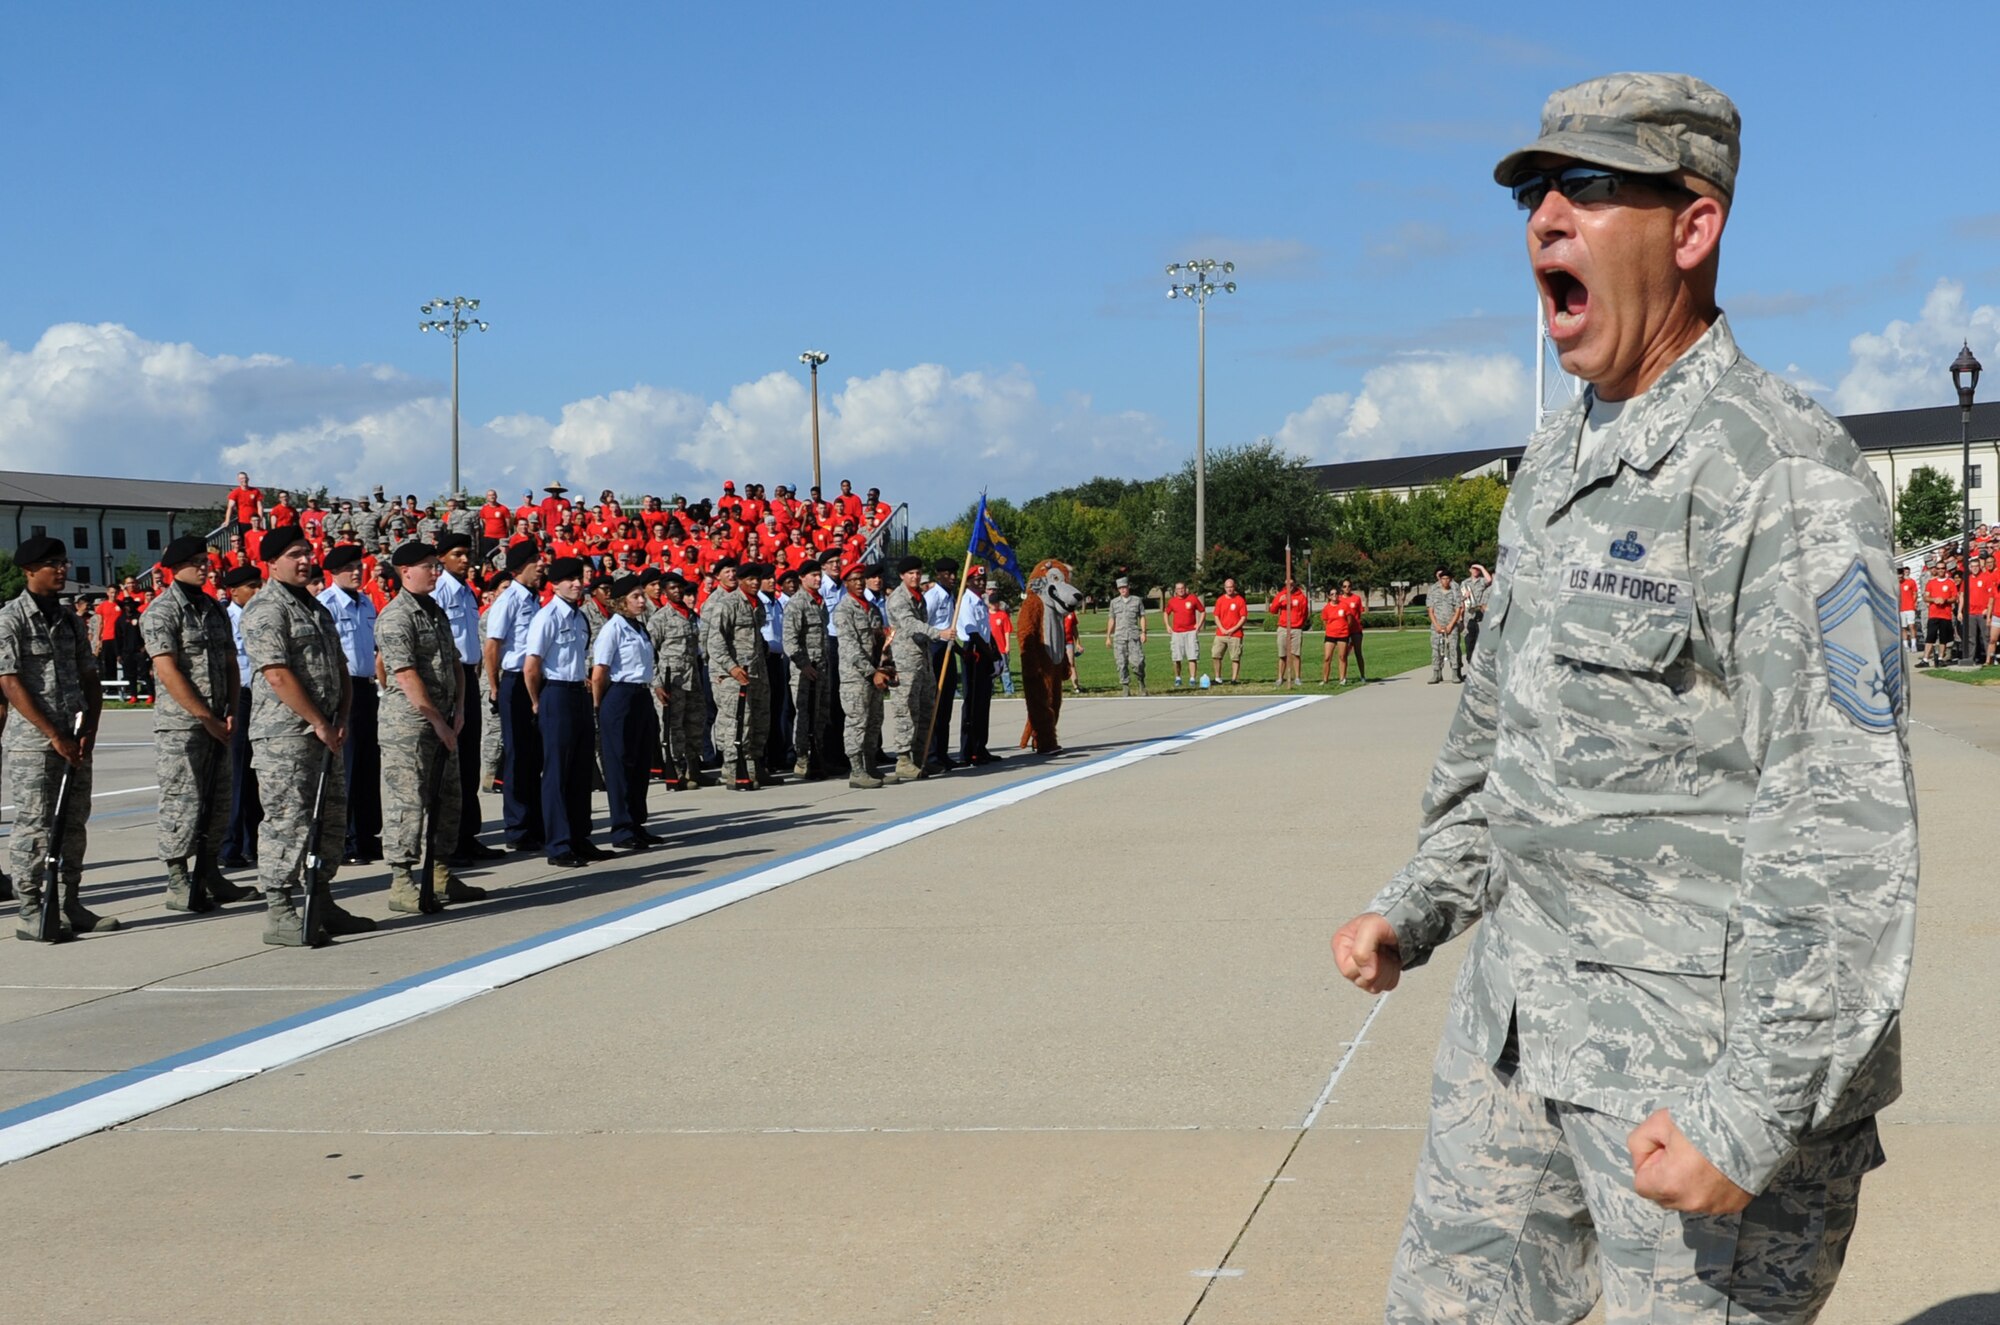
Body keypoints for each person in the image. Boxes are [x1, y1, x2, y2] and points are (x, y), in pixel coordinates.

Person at [1333, 73, 1916, 1323]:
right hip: (1519, 1038)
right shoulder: (1551, 465)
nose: (1543, 213)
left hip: (1692, 1079)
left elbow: (1841, 830)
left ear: (1691, 227)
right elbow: (1497, 743)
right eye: (1533, 190)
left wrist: (1748, 1110)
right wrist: (1417, 903)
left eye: (1587, 186)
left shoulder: (1783, 475)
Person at [242, 526, 375, 945]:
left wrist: (342, 716)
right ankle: (280, 908)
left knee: (330, 818)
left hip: (327, 732)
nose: (305, 560)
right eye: (295, 554)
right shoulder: (266, 609)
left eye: (307, 552)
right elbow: (277, 675)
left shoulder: (315, 608)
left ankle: (321, 898)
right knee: (288, 820)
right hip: (286, 736)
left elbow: (341, 667)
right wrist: (318, 720)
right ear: (273, 562)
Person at [0, 536, 112, 940]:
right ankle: (31, 908)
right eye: (53, 564)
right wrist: (52, 733)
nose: (62, 570)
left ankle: (69, 902)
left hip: (74, 735)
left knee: (74, 823)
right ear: (30, 571)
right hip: (34, 741)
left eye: (64, 562)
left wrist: (90, 730)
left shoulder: (68, 618)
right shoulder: (11, 618)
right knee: (34, 825)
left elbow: (88, 676)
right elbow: (10, 682)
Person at [141, 534, 253, 913]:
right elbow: (168, 671)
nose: (204, 567)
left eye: (205, 560)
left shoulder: (212, 607)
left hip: (220, 720)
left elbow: (230, 662)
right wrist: (205, 716)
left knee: (217, 800)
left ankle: (209, 873)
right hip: (182, 726)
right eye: (196, 562)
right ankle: (177, 878)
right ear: (175, 568)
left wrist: (232, 709)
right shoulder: (161, 611)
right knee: (181, 802)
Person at [375, 541, 483, 913]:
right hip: (409, 725)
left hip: (444, 721)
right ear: (405, 571)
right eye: (428, 566)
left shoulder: (433, 610)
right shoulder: (396, 616)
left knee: (448, 798)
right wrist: (438, 721)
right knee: (406, 802)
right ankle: (401, 880)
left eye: (437, 565)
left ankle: (439, 873)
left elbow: (455, 662)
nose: (436, 572)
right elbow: (402, 674)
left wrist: (460, 710)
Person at [525, 557, 599, 866]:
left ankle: (580, 837)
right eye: (569, 579)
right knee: (556, 773)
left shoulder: (580, 617)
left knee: (581, 771)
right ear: (555, 584)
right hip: (555, 692)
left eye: (579, 578)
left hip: (577, 692)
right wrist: (537, 701)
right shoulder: (548, 616)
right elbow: (532, 666)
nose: (577, 583)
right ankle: (558, 844)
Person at [434, 533, 501, 865]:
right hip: (449, 679)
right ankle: (450, 840)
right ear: (442, 558)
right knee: (453, 763)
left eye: (467, 555)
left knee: (470, 760)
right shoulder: (440, 591)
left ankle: (468, 833)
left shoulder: (466, 592)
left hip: (468, 678)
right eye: (457, 555)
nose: (465, 560)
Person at [319, 544, 382, 862]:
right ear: (333, 571)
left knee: (369, 765)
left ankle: (368, 835)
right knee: (350, 766)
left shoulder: (367, 602)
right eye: (350, 567)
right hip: (344, 690)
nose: (357, 572)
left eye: (359, 566)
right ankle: (347, 838)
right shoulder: (326, 604)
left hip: (368, 688)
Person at [590, 573, 661, 850]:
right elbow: (600, 672)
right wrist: (599, 706)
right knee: (620, 763)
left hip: (640, 694)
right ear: (621, 602)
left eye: (642, 595)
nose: (642, 600)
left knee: (641, 760)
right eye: (636, 596)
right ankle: (621, 827)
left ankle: (637, 822)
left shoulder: (639, 627)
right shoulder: (613, 628)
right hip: (619, 694)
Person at [484, 541, 547, 850]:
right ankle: (518, 828)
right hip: (514, 682)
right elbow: (492, 646)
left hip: (535, 680)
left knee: (535, 755)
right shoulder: (508, 600)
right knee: (518, 755)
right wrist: (495, 687)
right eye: (536, 560)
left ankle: (536, 822)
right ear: (521, 565)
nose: (542, 564)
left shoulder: (535, 600)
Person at [704, 559, 770, 790]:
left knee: (759, 718)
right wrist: (731, 668)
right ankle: (733, 768)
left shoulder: (757, 604)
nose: (755, 583)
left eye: (757, 579)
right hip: (734, 673)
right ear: (741, 581)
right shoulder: (728, 603)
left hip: (757, 671)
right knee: (737, 720)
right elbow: (715, 641)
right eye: (750, 579)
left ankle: (753, 765)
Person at [833, 562, 897, 789]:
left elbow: (882, 643)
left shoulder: (873, 608)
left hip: (876, 675)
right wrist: (872, 673)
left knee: (874, 722)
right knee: (857, 723)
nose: (859, 583)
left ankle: (870, 765)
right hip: (856, 678)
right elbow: (850, 648)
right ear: (846, 583)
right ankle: (857, 770)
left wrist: (887, 668)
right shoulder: (844, 610)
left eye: (862, 578)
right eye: (854, 580)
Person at [220, 565, 264, 869]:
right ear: (233, 591)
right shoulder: (225, 620)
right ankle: (230, 844)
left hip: (262, 697)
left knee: (257, 774)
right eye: (252, 587)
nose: (258, 592)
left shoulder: (261, 617)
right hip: (240, 697)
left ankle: (253, 843)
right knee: (237, 773)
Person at [885, 555, 942, 782]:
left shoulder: (920, 598)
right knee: (906, 710)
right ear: (902, 575)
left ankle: (920, 758)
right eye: (911, 573)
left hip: (922, 662)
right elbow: (909, 624)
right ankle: (903, 759)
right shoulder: (899, 598)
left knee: (926, 709)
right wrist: (938, 632)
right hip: (905, 662)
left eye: (918, 573)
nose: (915, 576)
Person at [649, 572, 708, 789]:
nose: (678, 591)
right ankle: (676, 769)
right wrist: (656, 683)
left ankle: (694, 768)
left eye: (680, 587)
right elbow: (649, 654)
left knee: (694, 723)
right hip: (670, 682)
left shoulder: (691, 616)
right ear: (665, 592)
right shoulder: (659, 619)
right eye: (672, 588)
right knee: (672, 727)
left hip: (692, 679)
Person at [782, 560, 830, 779]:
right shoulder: (797, 603)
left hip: (821, 667)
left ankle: (818, 754)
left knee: (820, 714)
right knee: (804, 715)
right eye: (813, 575)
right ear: (802, 578)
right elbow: (790, 641)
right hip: (805, 670)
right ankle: (802, 759)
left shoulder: (819, 602)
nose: (817, 579)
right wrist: (804, 665)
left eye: (819, 575)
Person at [955, 564, 999, 764]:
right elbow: (973, 632)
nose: (981, 582)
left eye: (983, 580)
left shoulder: (981, 602)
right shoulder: (966, 602)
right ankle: (969, 750)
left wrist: (996, 655)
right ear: (969, 581)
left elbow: (987, 631)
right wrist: (989, 654)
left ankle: (981, 746)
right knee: (972, 704)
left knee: (983, 703)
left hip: (986, 651)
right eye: (977, 580)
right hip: (973, 652)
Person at [924, 561, 961, 771]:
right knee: (935, 703)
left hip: (948, 647)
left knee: (946, 702)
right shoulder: (933, 597)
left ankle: (942, 752)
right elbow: (925, 625)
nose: (953, 577)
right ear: (939, 575)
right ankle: (931, 754)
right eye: (948, 574)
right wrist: (940, 635)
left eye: (954, 573)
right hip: (935, 648)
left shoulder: (950, 596)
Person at [1105, 576, 1147, 695]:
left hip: (1134, 637)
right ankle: (1125, 686)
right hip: (1119, 638)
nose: (1123, 590)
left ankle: (1141, 682)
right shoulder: (1114, 602)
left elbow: (1142, 616)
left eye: (1124, 587)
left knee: (1138, 662)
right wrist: (1108, 636)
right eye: (1120, 588)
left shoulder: (1137, 600)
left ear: (1128, 587)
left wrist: (1143, 632)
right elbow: (1111, 619)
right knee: (1121, 663)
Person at [1426, 566, 1464, 684]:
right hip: (1437, 625)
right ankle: (1436, 673)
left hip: (1451, 625)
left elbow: (1458, 609)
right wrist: (1436, 625)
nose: (1445, 581)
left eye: (1447, 578)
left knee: (1453, 649)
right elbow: (1430, 610)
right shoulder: (1433, 591)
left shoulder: (1455, 591)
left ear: (1451, 580)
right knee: (1436, 649)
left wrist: (1451, 625)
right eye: (1443, 579)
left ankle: (1455, 673)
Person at [1268, 577, 1308, 687]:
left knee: (1296, 654)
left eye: (1291, 584)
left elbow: (1305, 613)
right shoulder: (1281, 595)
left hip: (1296, 628)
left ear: (1294, 584)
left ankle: (1297, 678)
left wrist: (1299, 624)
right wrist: (1279, 602)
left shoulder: (1301, 597)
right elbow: (1272, 610)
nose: (1289, 586)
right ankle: (1280, 678)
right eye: (1287, 584)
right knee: (1282, 654)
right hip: (1283, 628)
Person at [1163, 580, 1204, 686]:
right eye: (1178, 589)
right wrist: (1167, 626)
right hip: (1177, 633)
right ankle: (1178, 678)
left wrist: (1198, 625)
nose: (1180, 590)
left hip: (1191, 631)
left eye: (1182, 588)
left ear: (1185, 588)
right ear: (1175, 590)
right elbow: (1166, 613)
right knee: (1176, 657)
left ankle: (1192, 679)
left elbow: (1202, 611)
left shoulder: (1192, 598)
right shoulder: (1172, 601)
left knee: (1192, 656)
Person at [1210, 577, 1248, 684]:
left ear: (1234, 587)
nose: (1229, 589)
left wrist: (1232, 629)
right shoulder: (1220, 600)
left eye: (1231, 587)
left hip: (1235, 634)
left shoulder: (1240, 600)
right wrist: (1222, 628)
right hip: (1220, 634)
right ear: (1224, 588)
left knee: (1235, 657)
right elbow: (1216, 616)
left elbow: (1243, 617)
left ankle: (1234, 679)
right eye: (1227, 587)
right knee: (1216, 655)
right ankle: (1217, 678)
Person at [1920, 561, 1957, 668]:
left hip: (1945, 614)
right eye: (1938, 568)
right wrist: (1934, 599)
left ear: (1945, 569)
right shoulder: (1931, 582)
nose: (1940, 570)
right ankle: (1925, 659)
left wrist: (1945, 600)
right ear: (1935, 569)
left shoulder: (1950, 583)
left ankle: (1941, 658)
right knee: (1930, 637)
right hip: (1933, 614)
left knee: (1943, 638)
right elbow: (1925, 597)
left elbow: (1954, 598)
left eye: (1942, 568)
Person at [1461, 563, 1492, 665]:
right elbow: (1459, 599)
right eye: (1473, 568)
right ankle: (1470, 664)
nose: (1475, 570)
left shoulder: (1482, 581)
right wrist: (1465, 596)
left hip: (1480, 613)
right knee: (1469, 641)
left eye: (1477, 569)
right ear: (1470, 570)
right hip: (1468, 614)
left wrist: (1482, 567)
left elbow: (1489, 580)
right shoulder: (1465, 583)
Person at [1897, 565, 1917, 651]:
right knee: (1903, 627)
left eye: (1901, 577)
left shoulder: (1911, 582)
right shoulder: (1895, 584)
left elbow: (1915, 593)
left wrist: (1913, 603)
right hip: (1900, 609)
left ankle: (1913, 645)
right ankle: (1906, 645)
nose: (1899, 579)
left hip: (1909, 608)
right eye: (1898, 577)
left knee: (1912, 626)